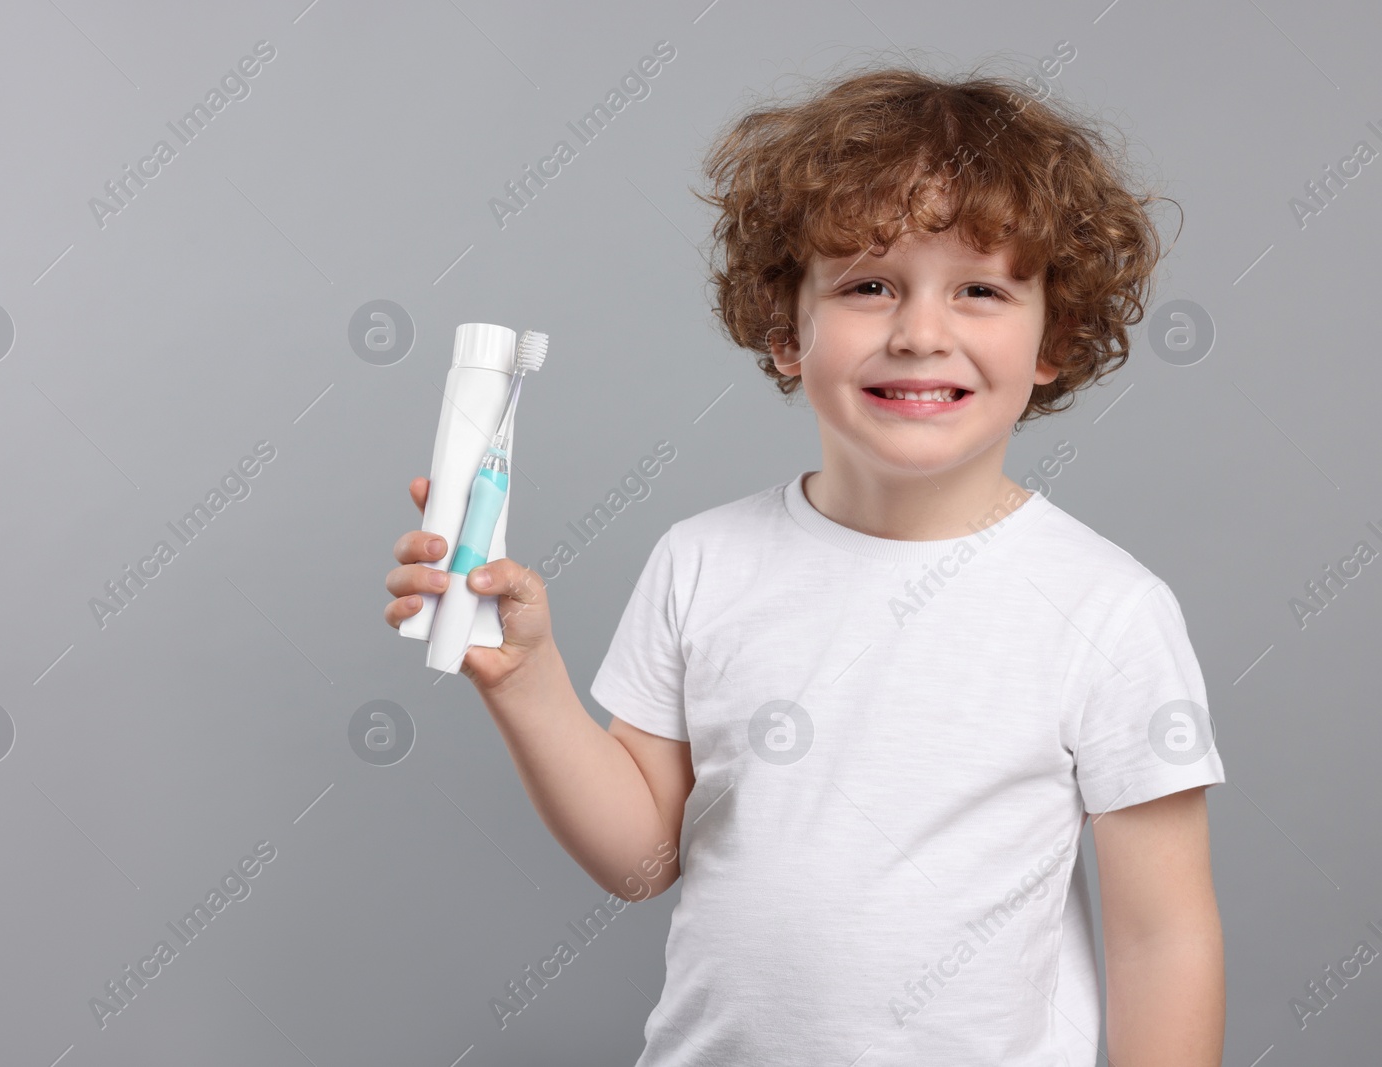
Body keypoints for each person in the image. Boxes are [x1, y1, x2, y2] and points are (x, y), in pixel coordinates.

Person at [384, 62, 1225, 1066]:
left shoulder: (1108, 609)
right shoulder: (703, 561)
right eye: (868, 285)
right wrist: (524, 678)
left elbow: (1160, 936)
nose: (920, 332)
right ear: (788, 329)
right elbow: (644, 857)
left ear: (1057, 334)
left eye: (980, 289)